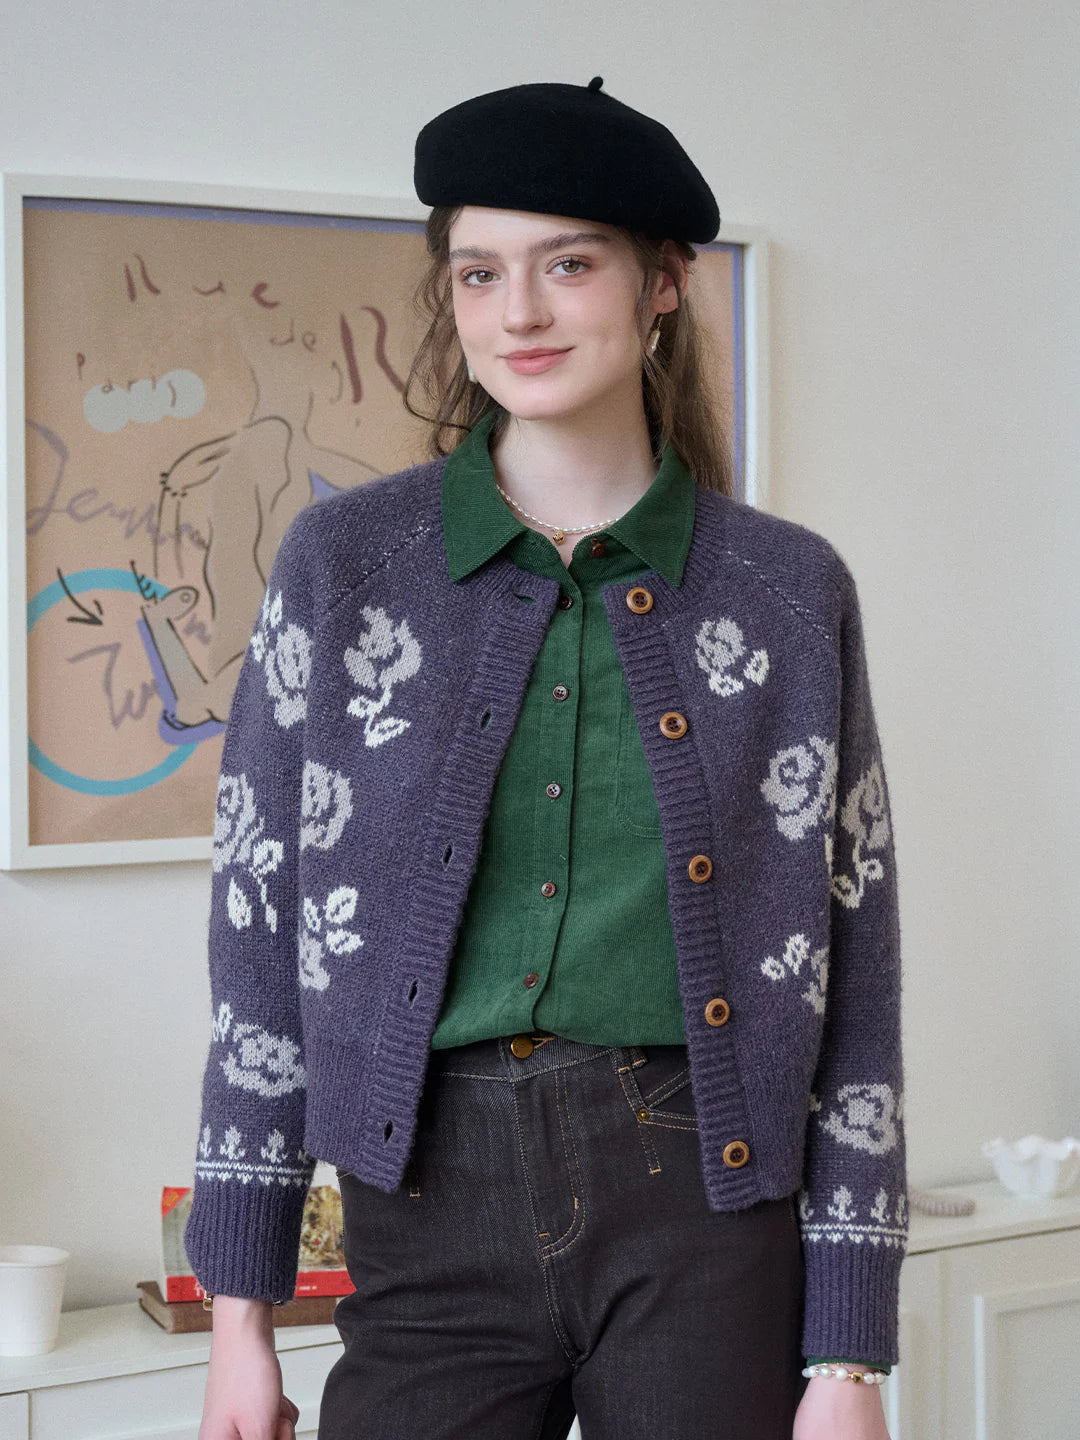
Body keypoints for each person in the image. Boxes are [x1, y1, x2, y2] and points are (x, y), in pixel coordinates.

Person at [186, 77, 907, 1440]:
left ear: (662, 286)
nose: (518, 312)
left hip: (706, 1202)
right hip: (420, 1200)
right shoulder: (347, 567)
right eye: (480, 273)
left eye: (567, 265)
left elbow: (855, 959)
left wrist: (847, 1361)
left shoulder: (785, 592)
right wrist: (240, 1320)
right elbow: (260, 925)